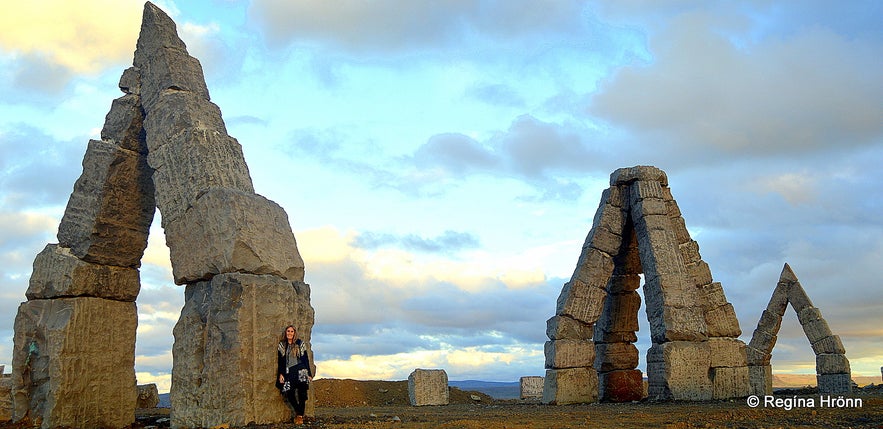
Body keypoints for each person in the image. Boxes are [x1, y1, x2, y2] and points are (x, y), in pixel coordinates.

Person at [277, 325, 312, 425]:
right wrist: (281, 374)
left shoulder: (300, 343)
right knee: (289, 392)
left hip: (301, 370)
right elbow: (281, 361)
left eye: (292, 331)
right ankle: (299, 411)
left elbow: (305, 358)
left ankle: (300, 417)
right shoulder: (282, 345)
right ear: (286, 332)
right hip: (289, 371)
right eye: (288, 331)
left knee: (302, 394)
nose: (290, 333)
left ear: (294, 333)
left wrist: (309, 373)